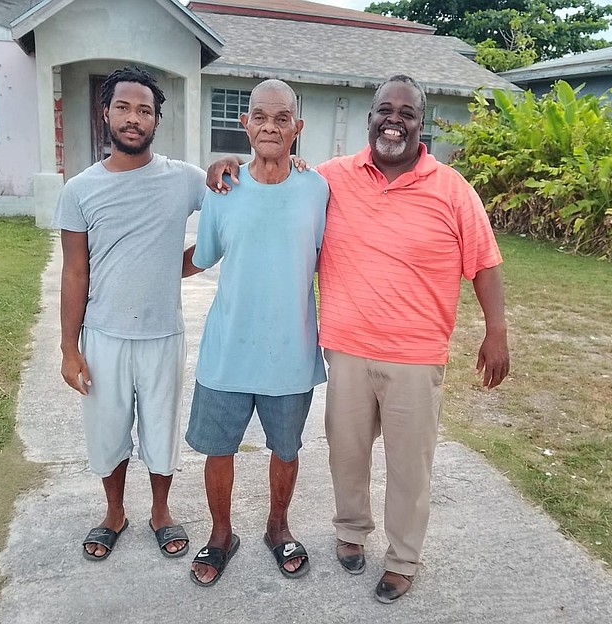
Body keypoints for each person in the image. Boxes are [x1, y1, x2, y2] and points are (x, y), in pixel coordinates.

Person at [206, 74, 510, 603]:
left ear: (422, 123)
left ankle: (402, 559)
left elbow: (483, 263)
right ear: (369, 118)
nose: (394, 120)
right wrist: (227, 164)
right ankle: (350, 534)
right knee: (346, 456)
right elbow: (275, 177)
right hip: (345, 349)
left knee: (408, 467)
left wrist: (497, 331)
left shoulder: (452, 189)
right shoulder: (330, 179)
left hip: (415, 356)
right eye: (384, 110)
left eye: (407, 113)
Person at [53, 66, 206, 562]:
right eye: (123, 107)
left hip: (163, 333)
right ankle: (114, 512)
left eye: (144, 110)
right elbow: (75, 273)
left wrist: (184, 263)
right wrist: (68, 348)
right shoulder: (80, 189)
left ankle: (161, 512)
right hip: (102, 335)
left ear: (157, 119)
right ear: (106, 113)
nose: (133, 118)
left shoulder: (183, 179)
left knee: (161, 428)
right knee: (108, 429)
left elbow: (236, 206)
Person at [183, 79, 328, 587]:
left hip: (291, 352)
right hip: (227, 350)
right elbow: (202, 258)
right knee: (218, 450)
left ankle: (277, 527)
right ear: (245, 123)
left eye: (282, 118)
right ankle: (221, 534)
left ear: (297, 128)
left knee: (285, 449)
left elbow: (336, 258)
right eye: (260, 116)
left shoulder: (319, 189)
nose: (270, 126)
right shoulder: (222, 187)